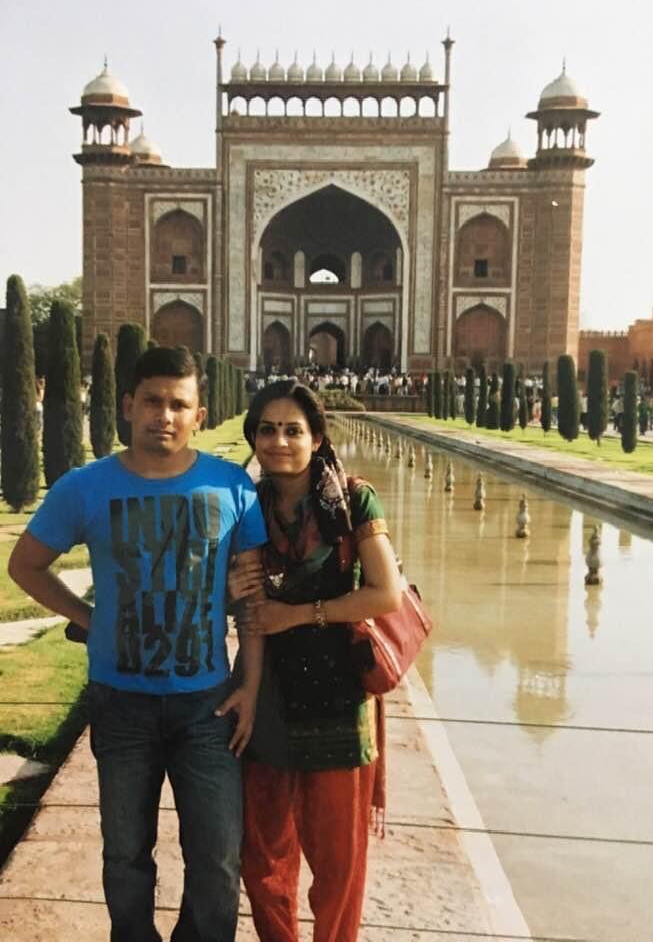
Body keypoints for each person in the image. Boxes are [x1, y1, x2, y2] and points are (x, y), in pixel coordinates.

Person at [8, 346, 268, 942]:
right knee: (125, 854)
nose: (164, 416)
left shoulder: (230, 485)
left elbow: (251, 600)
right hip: (121, 703)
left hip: (207, 705)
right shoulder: (85, 487)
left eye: (178, 404)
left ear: (199, 415)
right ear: (128, 405)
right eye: (152, 401)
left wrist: (250, 687)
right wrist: (88, 616)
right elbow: (25, 565)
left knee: (217, 857)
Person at [228, 380, 401, 942]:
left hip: (338, 697)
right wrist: (230, 591)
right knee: (262, 856)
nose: (279, 441)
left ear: (317, 438)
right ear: (253, 437)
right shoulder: (246, 506)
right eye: (267, 430)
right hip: (270, 693)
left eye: (293, 430)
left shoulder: (352, 500)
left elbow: (386, 594)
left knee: (338, 863)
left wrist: (299, 615)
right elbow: (237, 599)